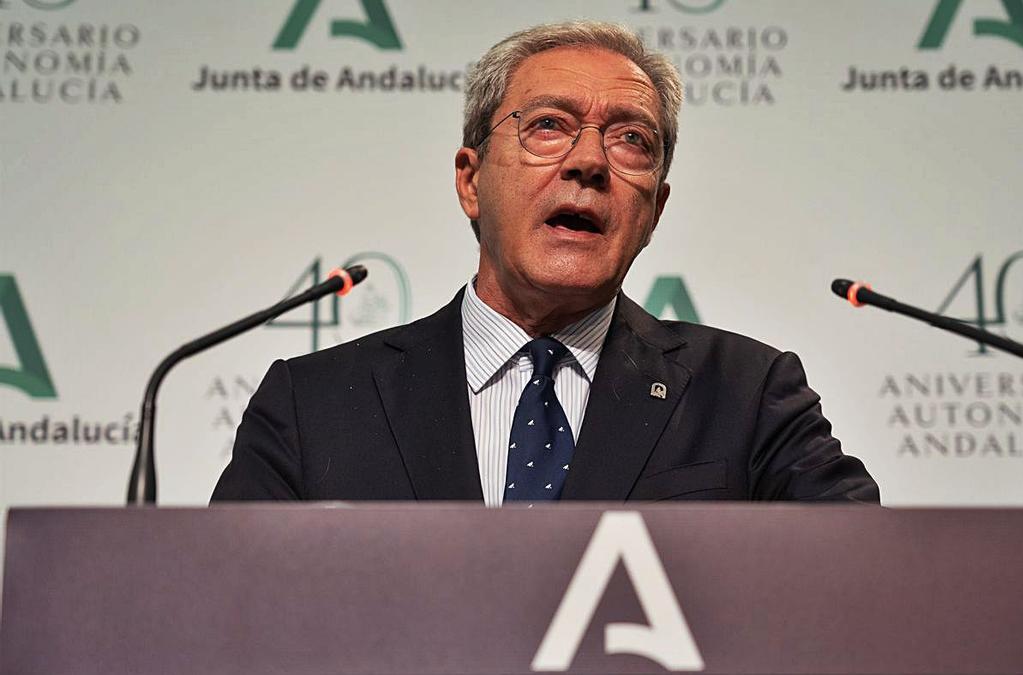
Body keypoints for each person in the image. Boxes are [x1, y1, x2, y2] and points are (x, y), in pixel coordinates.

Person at [211, 21, 878, 505]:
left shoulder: (746, 394)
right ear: (470, 180)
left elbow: (863, 584)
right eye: (548, 126)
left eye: (632, 140)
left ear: (655, 209)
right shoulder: (315, 405)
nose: (589, 163)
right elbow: (225, 618)